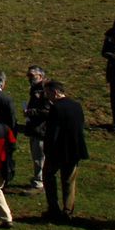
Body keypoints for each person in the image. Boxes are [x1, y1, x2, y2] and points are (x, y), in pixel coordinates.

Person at [42, 79, 89, 221]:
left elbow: (52, 133)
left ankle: (53, 208)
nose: (47, 96)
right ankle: (68, 210)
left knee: (48, 176)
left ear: (55, 92)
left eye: (48, 93)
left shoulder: (56, 108)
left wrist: (48, 149)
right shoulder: (77, 106)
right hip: (74, 149)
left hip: (58, 150)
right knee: (69, 181)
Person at [24, 67, 54, 192]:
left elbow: (48, 111)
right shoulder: (36, 89)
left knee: (39, 157)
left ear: (40, 76)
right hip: (35, 128)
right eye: (28, 75)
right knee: (36, 156)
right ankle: (39, 179)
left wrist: (30, 112)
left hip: (42, 130)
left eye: (32, 75)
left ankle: (39, 182)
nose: (29, 78)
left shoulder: (45, 91)